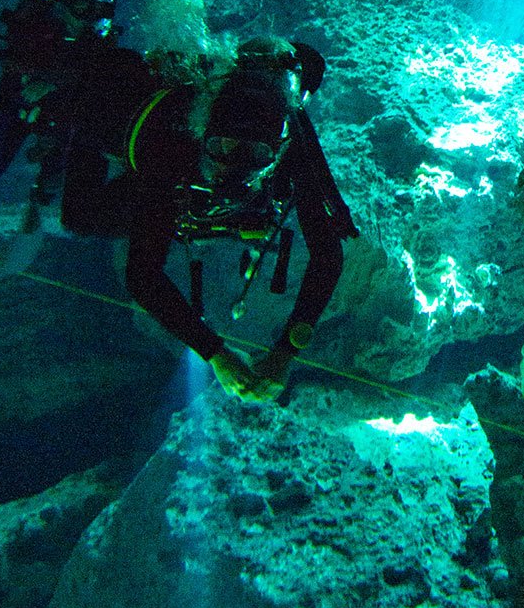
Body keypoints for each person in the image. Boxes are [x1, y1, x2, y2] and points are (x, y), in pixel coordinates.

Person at [61, 36, 357, 400]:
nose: (237, 169)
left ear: (277, 149)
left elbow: (328, 257)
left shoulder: (294, 150)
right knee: (78, 218)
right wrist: (215, 353)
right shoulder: (174, 146)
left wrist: (284, 353)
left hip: (209, 193)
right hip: (129, 139)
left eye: (256, 153)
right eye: (225, 148)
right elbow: (142, 275)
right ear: (204, 135)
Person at [0, 0, 119, 232]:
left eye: (98, 8)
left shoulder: (98, 41)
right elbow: (14, 60)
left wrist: (54, 81)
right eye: (82, 5)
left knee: (51, 183)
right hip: (18, 110)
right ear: (63, 3)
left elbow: (101, 78)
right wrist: (47, 78)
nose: (89, 15)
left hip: (61, 120)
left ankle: (35, 210)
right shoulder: (37, 24)